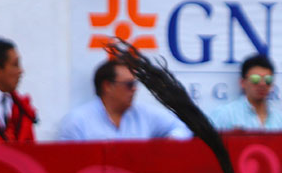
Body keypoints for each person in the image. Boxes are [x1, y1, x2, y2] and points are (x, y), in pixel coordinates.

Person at [58, 60, 192, 141]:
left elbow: (183, 127)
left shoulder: (144, 113)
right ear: (107, 86)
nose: (135, 89)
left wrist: (172, 140)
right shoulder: (77, 121)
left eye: (135, 84)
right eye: (129, 84)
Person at [210, 54, 282, 131]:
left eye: (267, 79)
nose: (262, 84)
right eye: (255, 79)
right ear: (242, 82)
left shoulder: (280, 119)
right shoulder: (225, 114)